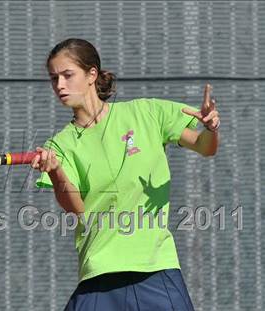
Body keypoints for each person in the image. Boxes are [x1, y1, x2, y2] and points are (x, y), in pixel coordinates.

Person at [31, 38, 220, 310]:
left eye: (67, 75)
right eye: (53, 78)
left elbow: (205, 147)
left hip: (156, 269)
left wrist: (211, 130)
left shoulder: (147, 112)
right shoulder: (59, 144)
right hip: (99, 274)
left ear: (91, 75)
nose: (59, 85)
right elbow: (77, 207)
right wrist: (57, 171)